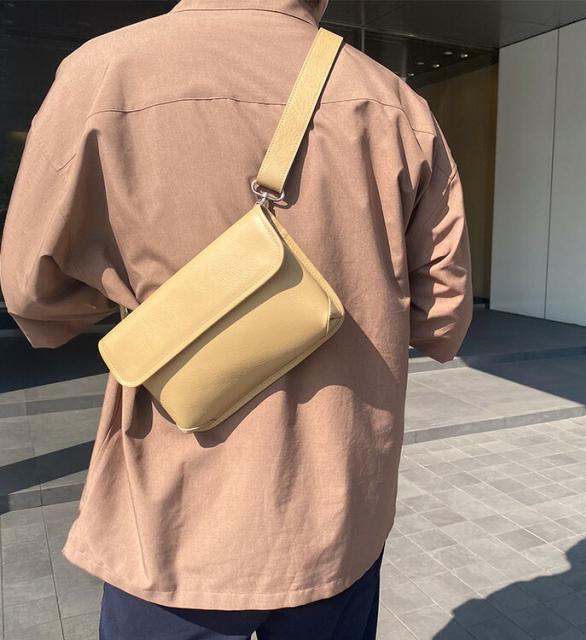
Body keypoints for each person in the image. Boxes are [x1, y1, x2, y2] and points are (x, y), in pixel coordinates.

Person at [0, 0, 473, 638]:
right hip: (336, 516)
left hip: (171, 517)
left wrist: (148, 306)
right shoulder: (393, 102)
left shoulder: (101, 73)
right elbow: (443, 318)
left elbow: (32, 292)